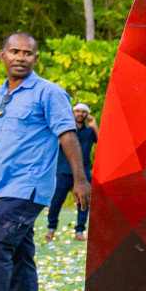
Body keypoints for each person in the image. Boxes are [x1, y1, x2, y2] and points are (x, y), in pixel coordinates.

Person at [0, 33, 89, 291]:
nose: (20, 57)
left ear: (35, 59)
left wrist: (80, 179)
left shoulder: (50, 93)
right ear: (2, 56)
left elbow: (67, 134)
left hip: (27, 186)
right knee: (18, 254)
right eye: (14, 51)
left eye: (27, 53)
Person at [46, 102, 97, 241]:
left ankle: (79, 231)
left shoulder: (90, 131)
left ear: (87, 114)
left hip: (84, 172)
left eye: (83, 111)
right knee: (56, 201)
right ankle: (51, 229)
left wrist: (94, 126)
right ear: (73, 113)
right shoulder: (65, 130)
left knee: (84, 203)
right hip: (63, 171)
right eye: (77, 111)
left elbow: (102, 142)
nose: (80, 114)